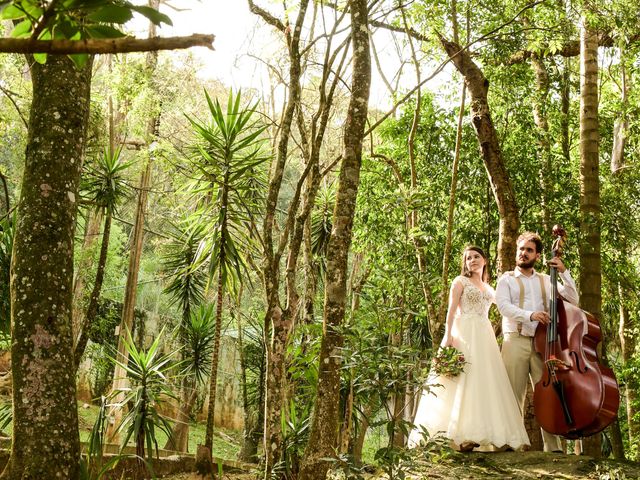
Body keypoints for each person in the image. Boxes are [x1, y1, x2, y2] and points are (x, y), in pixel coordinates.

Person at [409, 246, 530, 452]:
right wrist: (448, 336)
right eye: (468, 258)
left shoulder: (490, 288)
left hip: (484, 336)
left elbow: (504, 308)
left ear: (484, 261)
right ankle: (454, 435)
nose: (472, 260)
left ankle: (479, 434)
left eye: (476, 257)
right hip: (463, 332)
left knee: (482, 381)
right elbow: (451, 309)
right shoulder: (460, 281)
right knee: (459, 378)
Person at [496, 231, 579, 453]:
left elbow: (573, 299)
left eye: (529, 250)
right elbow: (503, 307)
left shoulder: (546, 279)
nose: (523, 253)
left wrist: (563, 272)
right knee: (513, 394)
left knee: (548, 395)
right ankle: (511, 444)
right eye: (521, 249)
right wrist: (530, 315)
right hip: (515, 340)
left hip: (545, 345)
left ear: (538, 255)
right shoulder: (506, 279)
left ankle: (553, 448)